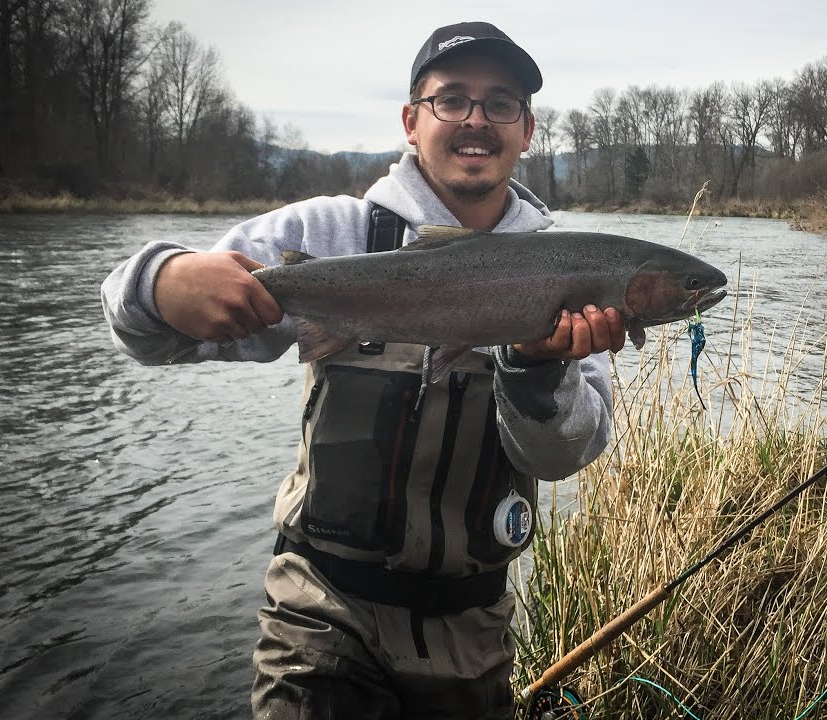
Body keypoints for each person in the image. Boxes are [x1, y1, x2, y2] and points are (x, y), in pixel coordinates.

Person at [101, 21, 624, 720]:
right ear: (412, 121)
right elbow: (148, 337)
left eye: (501, 103)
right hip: (320, 614)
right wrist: (163, 279)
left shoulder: (570, 270)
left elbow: (563, 457)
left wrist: (536, 370)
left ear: (527, 130)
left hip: (473, 631)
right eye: (451, 100)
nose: (476, 119)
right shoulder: (326, 236)